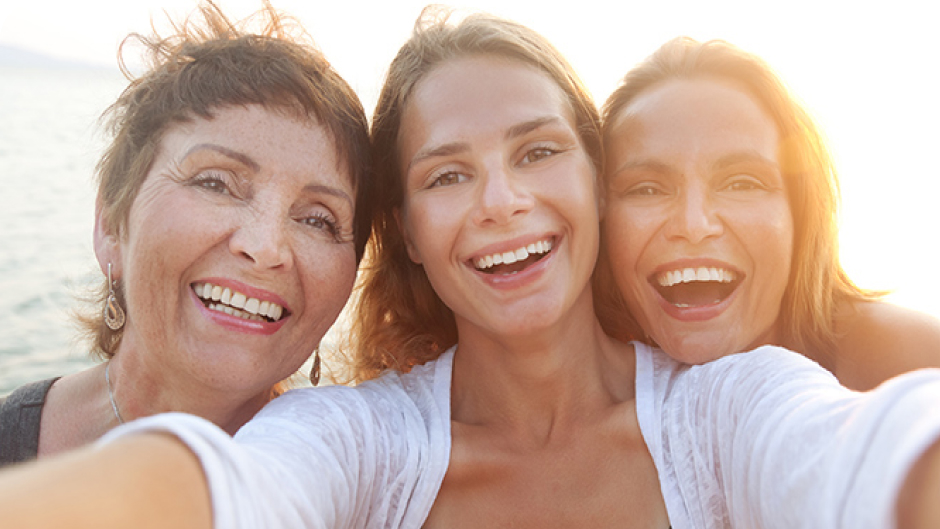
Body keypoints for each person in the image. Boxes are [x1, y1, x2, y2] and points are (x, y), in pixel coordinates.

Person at [2, 9, 940, 529]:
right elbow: (218, 491)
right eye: (449, 173)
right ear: (405, 229)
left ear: (595, 179)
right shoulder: (358, 440)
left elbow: (864, 453)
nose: (500, 201)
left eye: (537, 152)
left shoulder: (732, 409)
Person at [0, 0, 372, 466]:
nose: (265, 247)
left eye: (318, 218)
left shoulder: (375, 499)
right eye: (216, 183)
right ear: (112, 223)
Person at [595, 36, 940, 391]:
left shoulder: (915, 363)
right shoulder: (592, 401)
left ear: (800, 211)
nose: (694, 225)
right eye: (647, 189)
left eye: (741, 184)